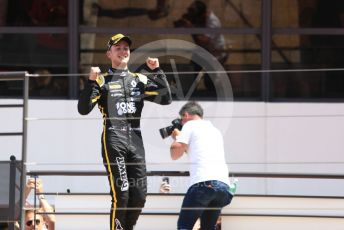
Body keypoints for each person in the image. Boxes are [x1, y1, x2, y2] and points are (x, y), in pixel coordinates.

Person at [78, 33, 172, 230]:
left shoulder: (140, 79)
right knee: (122, 193)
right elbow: (83, 109)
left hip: (136, 139)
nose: (123, 51)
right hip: (114, 137)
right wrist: (90, 81)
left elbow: (165, 98)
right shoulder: (102, 81)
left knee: (139, 196)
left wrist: (157, 70)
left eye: (126, 48)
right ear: (109, 54)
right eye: (118, 48)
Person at [170, 101, 232, 230]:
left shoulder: (190, 125)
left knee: (184, 226)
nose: (181, 123)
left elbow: (175, 154)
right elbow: (195, 152)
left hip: (203, 184)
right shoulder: (214, 130)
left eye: (182, 120)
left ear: (186, 115)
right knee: (208, 228)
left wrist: (177, 137)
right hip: (223, 187)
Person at [174, 0, 228, 96]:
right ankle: (190, 93)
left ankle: (212, 97)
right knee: (192, 73)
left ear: (201, 14)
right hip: (202, 50)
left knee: (210, 80)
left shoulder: (213, 22)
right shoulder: (198, 18)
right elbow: (176, 25)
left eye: (192, 11)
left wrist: (191, 28)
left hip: (215, 53)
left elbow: (202, 41)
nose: (190, 13)